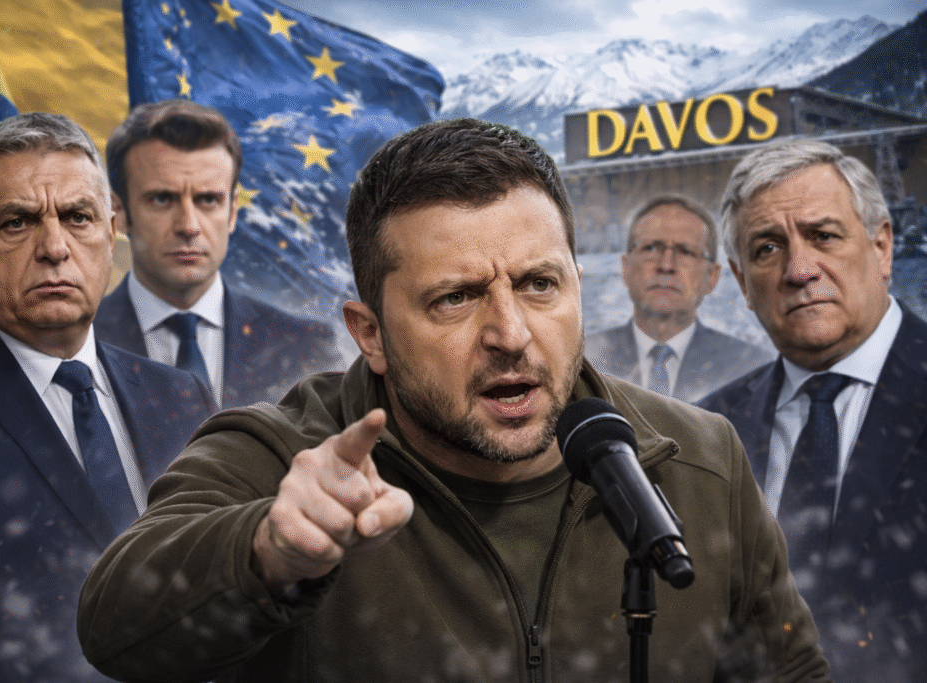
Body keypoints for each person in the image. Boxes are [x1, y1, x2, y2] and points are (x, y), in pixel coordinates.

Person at [78, 119, 829, 683]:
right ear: (369, 333)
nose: (510, 333)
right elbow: (115, 623)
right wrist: (267, 553)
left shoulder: (701, 459)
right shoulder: (284, 458)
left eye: (539, 284)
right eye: (456, 298)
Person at [0, 113, 214, 682]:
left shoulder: (183, 397)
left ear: (112, 230)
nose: (54, 247)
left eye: (77, 217)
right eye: (17, 222)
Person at [698, 138, 927, 682]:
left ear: (882, 247)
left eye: (823, 236)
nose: (799, 269)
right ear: (742, 283)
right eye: (767, 249)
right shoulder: (705, 433)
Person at [94, 99, 343, 409]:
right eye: (162, 199)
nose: (188, 226)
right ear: (118, 213)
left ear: (233, 210)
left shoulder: (305, 346)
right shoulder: (73, 345)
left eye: (208, 200)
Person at [585, 195, 773, 402]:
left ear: (711, 277)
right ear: (625, 269)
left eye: (686, 251)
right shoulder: (583, 363)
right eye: (651, 247)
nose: (666, 265)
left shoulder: (753, 370)